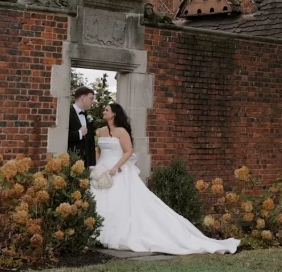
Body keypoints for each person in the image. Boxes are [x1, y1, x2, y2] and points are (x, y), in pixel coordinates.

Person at [93, 103, 239, 255]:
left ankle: (117, 234)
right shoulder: (101, 131)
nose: (104, 111)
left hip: (118, 170)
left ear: (114, 114)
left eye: (106, 110)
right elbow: (98, 150)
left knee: (120, 203)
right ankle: (98, 233)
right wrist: (97, 167)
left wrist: (116, 167)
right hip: (102, 170)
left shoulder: (121, 132)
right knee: (102, 201)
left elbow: (129, 151)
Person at [68, 87, 96, 167]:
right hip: (70, 161)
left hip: (86, 164)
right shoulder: (68, 112)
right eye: (91, 98)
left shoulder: (89, 117)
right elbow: (63, 136)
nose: (92, 102)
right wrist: (79, 133)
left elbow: (91, 142)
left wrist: (92, 165)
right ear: (82, 97)